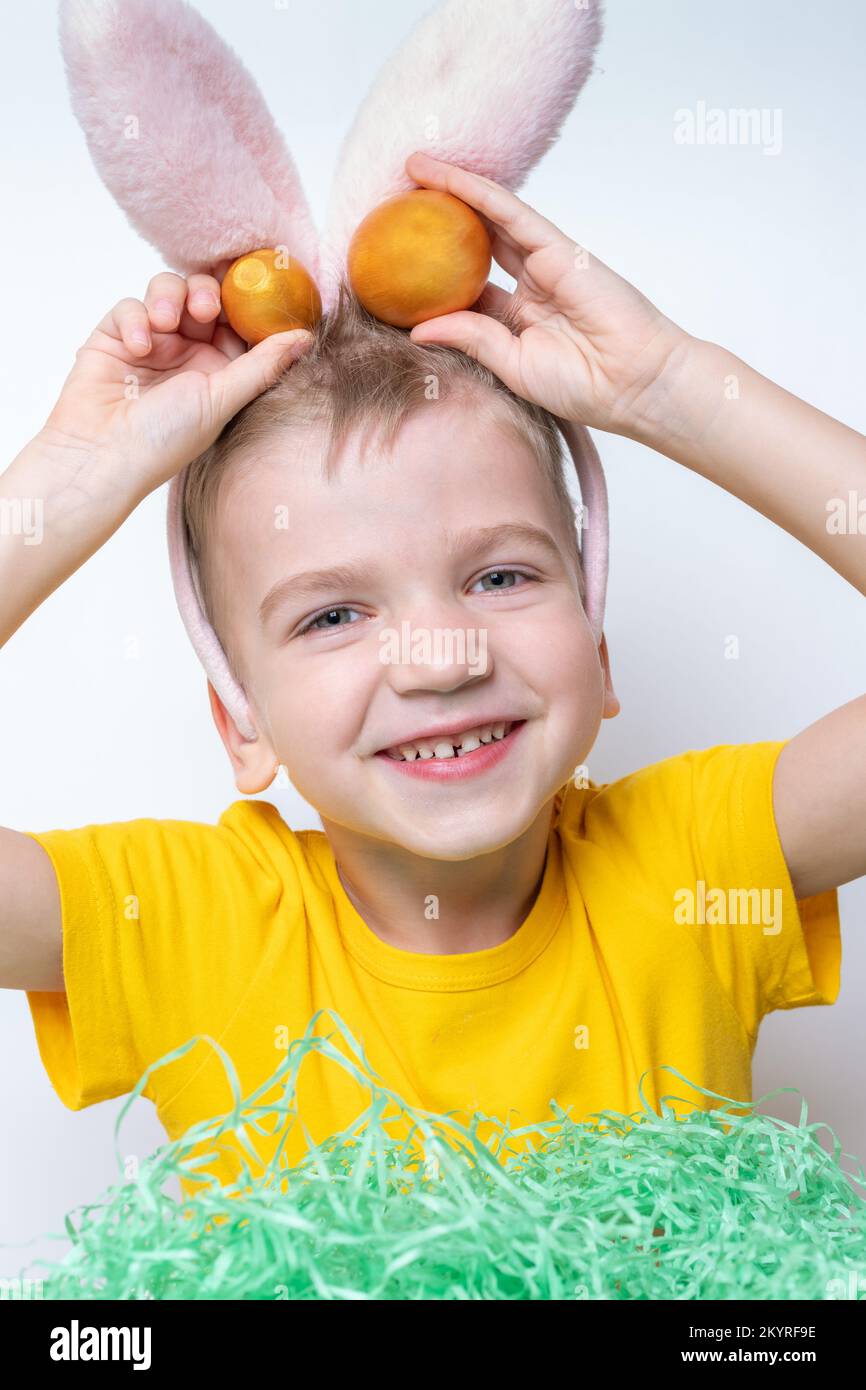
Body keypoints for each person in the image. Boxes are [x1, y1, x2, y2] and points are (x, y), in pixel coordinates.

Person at [2, 153, 860, 1194]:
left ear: (595, 648)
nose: (439, 657)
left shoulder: (688, 871)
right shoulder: (190, 923)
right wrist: (70, 480)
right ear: (240, 723)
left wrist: (672, 388)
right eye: (332, 613)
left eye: (498, 575)